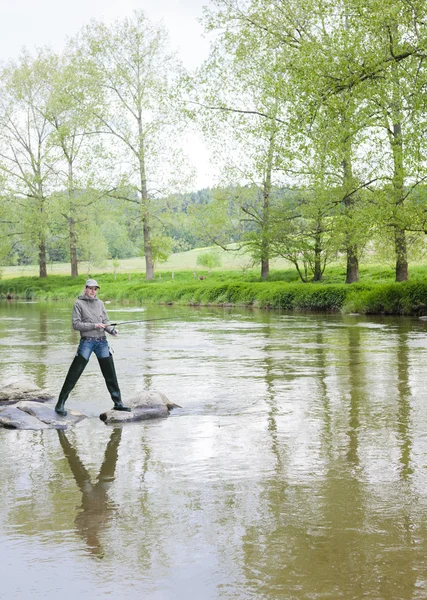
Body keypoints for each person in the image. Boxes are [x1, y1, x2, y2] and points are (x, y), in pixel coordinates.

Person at [55, 279, 131, 416]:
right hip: (87, 342)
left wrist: (112, 330)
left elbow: (106, 322)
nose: (92, 291)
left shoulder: (100, 303)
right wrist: (94, 325)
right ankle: (60, 403)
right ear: (85, 289)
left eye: (95, 289)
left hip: (102, 342)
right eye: (90, 288)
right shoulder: (78, 303)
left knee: (110, 374)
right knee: (74, 373)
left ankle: (118, 403)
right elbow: (76, 325)